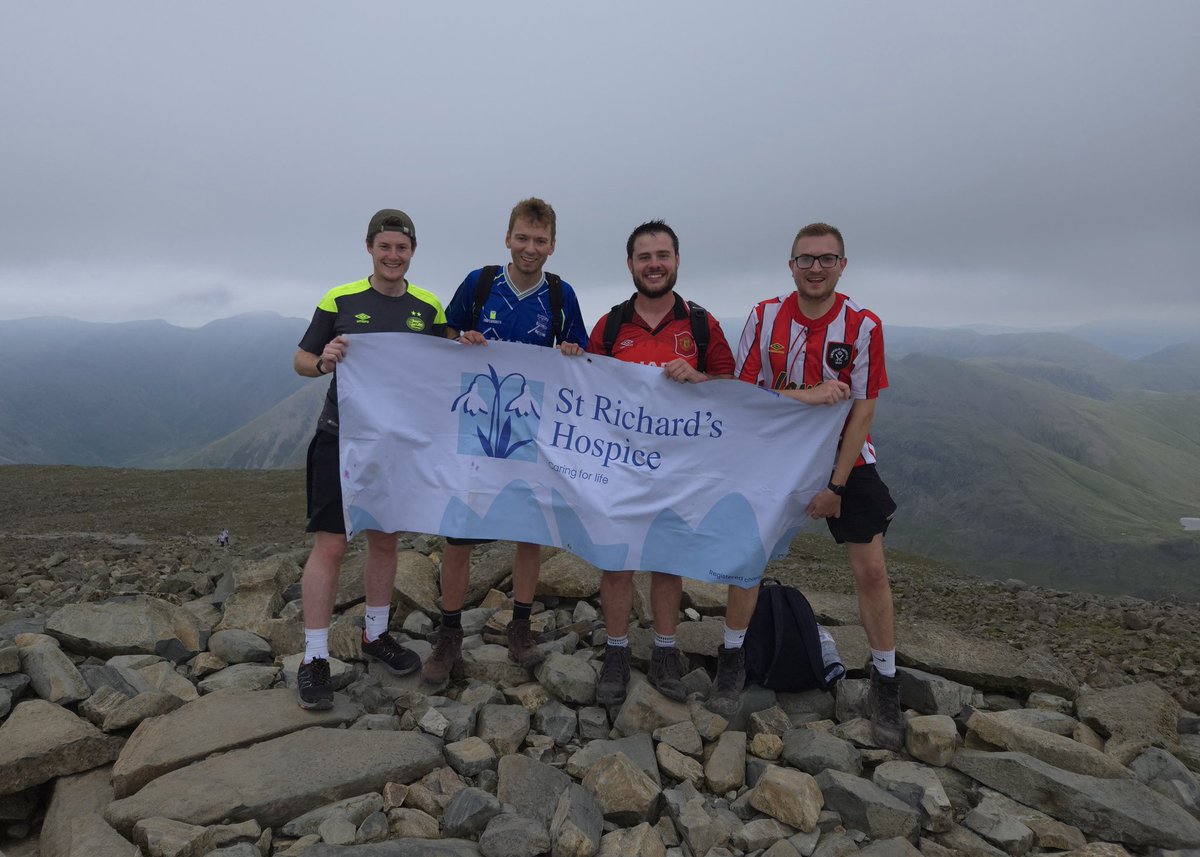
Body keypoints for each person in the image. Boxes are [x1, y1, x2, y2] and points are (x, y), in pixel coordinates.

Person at [728, 222, 902, 749]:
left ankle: (885, 680)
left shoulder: (863, 325)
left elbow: (864, 409)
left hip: (844, 457)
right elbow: (744, 393)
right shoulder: (764, 317)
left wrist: (837, 487)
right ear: (791, 266)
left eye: (827, 259)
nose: (816, 268)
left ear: (842, 265)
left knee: (872, 570)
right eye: (806, 259)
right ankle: (731, 659)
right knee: (748, 557)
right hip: (776, 454)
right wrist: (807, 395)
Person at [421, 197, 589, 687]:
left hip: (529, 430)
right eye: (522, 238)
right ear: (507, 238)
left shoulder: (560, 294)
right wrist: (460, 339)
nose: (530, 248)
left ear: (552, 245)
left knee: (528, 532)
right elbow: (444, 334)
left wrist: (571, 350)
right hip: (475, 426)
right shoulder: (480, 282)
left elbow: (581, 354)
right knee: (459, 533)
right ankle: (449, 635)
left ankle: (520, 627)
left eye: (540, 240)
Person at [292, 209, 447, 710]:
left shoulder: (429, 307)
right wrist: (323, 361)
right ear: (369, 248)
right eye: (385, 247)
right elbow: (301, 360)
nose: (393, 256)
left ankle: (375, 635)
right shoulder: (339, 299)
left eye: (402, 248)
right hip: (341, 438)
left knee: (384, 538)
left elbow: (446, 366)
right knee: (332, 545)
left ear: (412, 251)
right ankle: (315, 657)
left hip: (396, 446)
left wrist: (467, 342)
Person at [586, 220, 735, 706]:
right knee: (617, 561)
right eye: (644, 257)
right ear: (630, 264)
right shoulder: (610, 326)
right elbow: (583, 389)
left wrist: (699, 378)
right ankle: (616, 651)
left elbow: (732, 391)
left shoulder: (701, 324)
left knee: (667, 560)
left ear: (677, 260)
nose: (654, 265)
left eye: (662, 255)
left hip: (678, 469)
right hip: (620, 465)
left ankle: (666, 652)